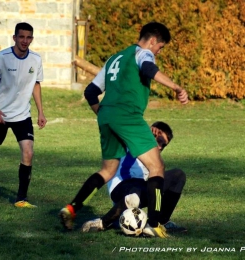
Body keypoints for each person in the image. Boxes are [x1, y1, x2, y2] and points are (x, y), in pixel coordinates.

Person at [59, 22, 188, 238]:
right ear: (153, 40)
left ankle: (72, 208)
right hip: (127, 114)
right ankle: (155, 224)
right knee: (157, 166)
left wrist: (105, 115)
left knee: (107, 170)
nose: (158, 52)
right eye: (160, 47)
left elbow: (91, 92)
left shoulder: (114, 59)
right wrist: (176, 87)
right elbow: (148, 68)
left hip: (106, 115)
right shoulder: (143, 53)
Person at [82, 121, 187, 235]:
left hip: (140, 188)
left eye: (163, 145)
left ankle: (162, 222)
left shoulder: (154, 159)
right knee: (135, 193)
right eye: (159, 141)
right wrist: (145, 131)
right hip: (121, 188)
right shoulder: (132, 141)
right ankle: (102, 223)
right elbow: (121, 125)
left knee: (178, 175)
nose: (160, 147)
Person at [0, 22, 47, 208]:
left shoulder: (35, 59)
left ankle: (21, 199)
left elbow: (36, 84)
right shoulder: (3, 57)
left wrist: (41, 112)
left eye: (28, 37)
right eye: (21, 37)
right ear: (14, 38)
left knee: (28, 152)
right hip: (0, 115)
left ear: (32, 39)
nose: (25, 41)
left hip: (22, 115)